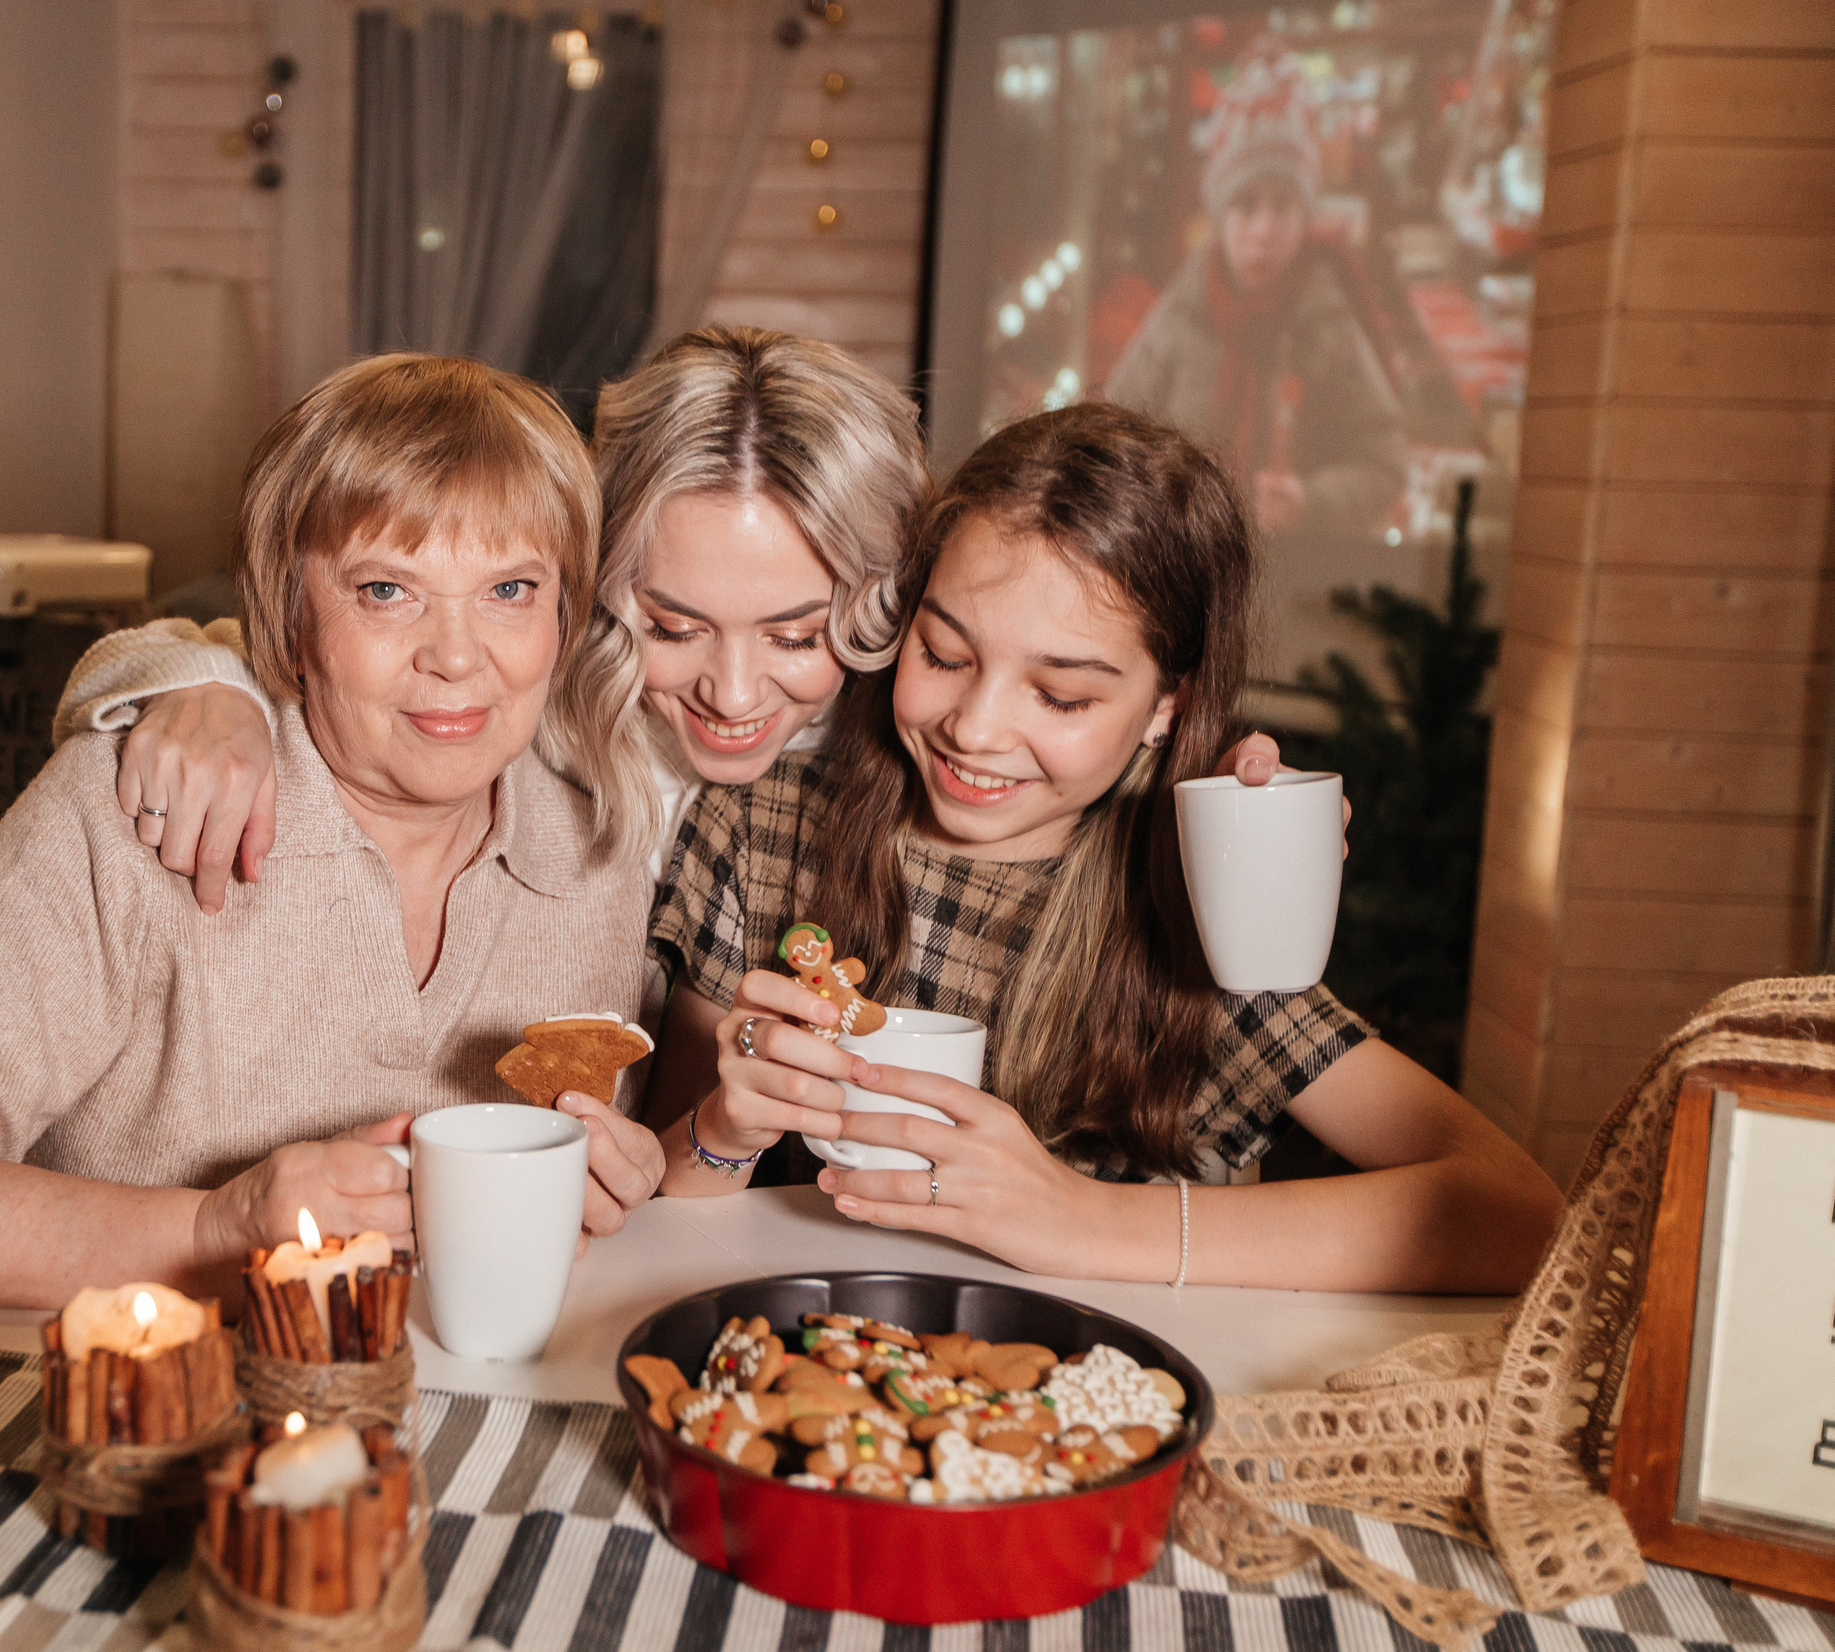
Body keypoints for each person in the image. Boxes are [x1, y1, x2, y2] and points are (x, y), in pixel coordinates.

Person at [0, 355, 668, 1308]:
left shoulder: (600, 854)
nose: (459, 656)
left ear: (565, 612)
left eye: (510, 590)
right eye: (386, 590)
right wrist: (210, 1229)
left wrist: (606, 1184)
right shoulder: (141, 810)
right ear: (289, 610)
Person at [642, 403, 1561, 1293]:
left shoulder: (1179, 913)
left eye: (1063, 695)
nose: (977, 727)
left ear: (1170, 704)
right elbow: (663, 1200)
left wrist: (1078, 1219)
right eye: (946, 656)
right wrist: (726, 1127)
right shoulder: (767, 831)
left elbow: (1516, 1214)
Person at [60, 327, 935, 905]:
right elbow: (270, 640)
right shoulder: (519, 696)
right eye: (672, 628)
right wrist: (208, 685)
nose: (735, 694)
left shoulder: (908, 740)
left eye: (793, 635)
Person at [1105, 46, 1407, 540]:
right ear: (1218, 217)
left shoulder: (1326, 323)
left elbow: (1385, 461)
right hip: (1182, 579)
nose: (1265, 230)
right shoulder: (1179, 319)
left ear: (1304, 215)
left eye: (1283, 206)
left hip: (1298, 581)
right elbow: (1109, 437)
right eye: (1246, 206)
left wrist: (1311, 501)